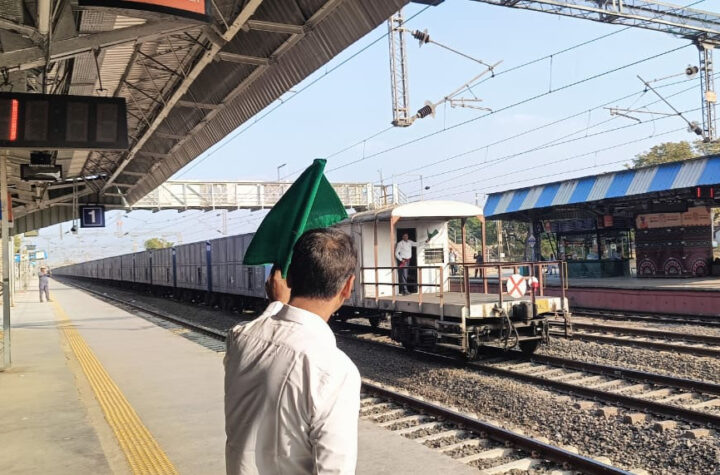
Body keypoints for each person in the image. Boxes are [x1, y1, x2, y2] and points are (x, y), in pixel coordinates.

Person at [224, 228, 361, 475]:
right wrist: (277, 304)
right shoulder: (334, 370)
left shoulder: (241, 338)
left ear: (290, 279)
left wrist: (276, 304)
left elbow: (262, 330)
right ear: (348, 286)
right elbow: (334, 469)